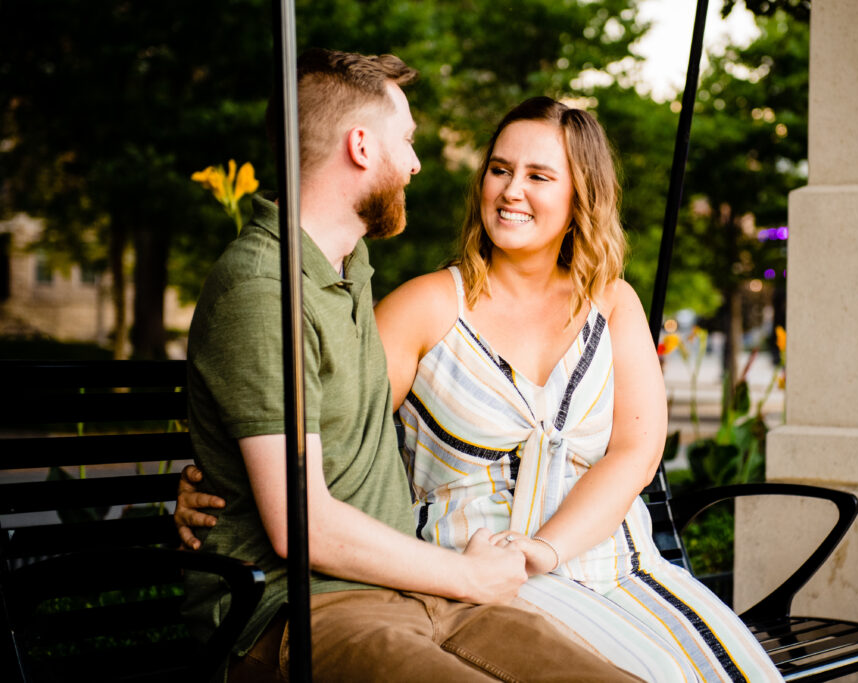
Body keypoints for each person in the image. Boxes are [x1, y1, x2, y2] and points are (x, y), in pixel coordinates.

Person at [180, 90, 782, 681]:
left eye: (539, 175)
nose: (510, 189)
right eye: (499, 169)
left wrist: (542, 550)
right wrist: (225, 478)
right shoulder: (412, 305)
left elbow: (635, 451)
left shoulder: (352, 268)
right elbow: (333, 436)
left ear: (581, 196)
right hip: (460, 573)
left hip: (595, 563)